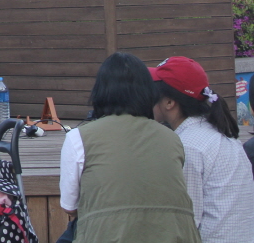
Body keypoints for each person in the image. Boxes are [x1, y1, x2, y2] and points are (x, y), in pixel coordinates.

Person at [59, 52, 200, 243]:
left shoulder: (78, 138)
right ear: (148, 93)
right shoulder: (172, 138)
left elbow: (69, 206)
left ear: (100, 92)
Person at [150, 56, 254, 243]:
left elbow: (186, 221)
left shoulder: (188, 146)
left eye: (152, 91)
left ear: (169, 102)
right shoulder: (218, 136)